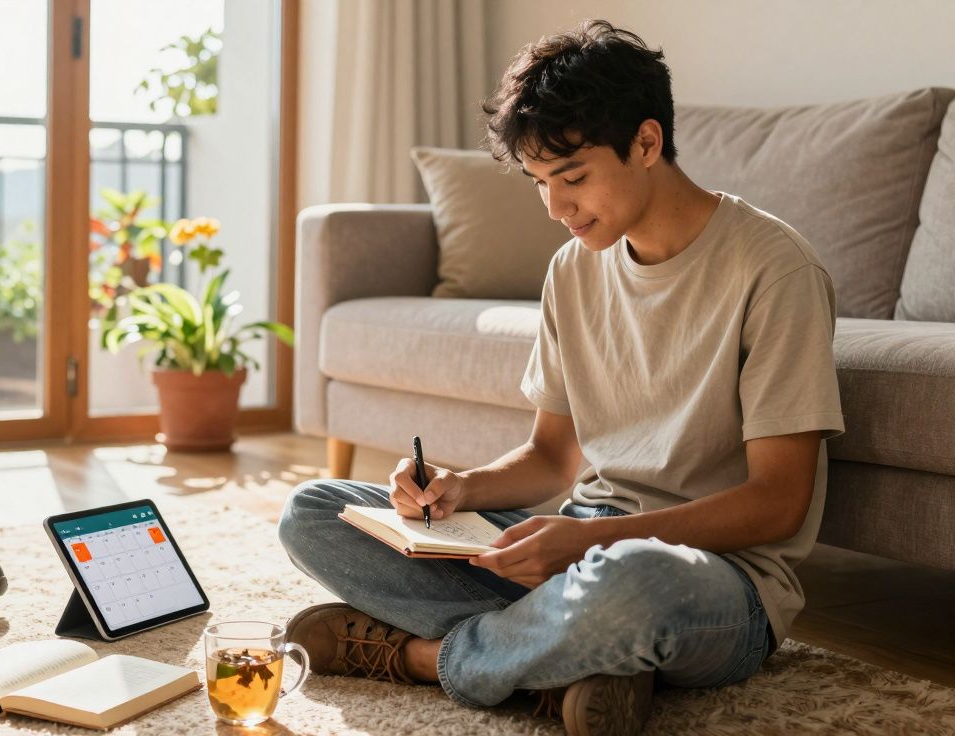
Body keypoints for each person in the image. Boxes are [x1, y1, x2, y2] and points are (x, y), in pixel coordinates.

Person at [278, 18, 844, 736]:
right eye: (541, 182)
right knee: (314, 510)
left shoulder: (775, 269)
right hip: (577, 543)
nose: (556, 208)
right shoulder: (574, 270)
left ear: (646, 143)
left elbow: (778, 504)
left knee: (632, 583)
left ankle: (422, 657)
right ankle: (567, 660)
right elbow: (552, 457)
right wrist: (461, 488)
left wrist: (585, 549)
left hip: (710, 580)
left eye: (573, 178)